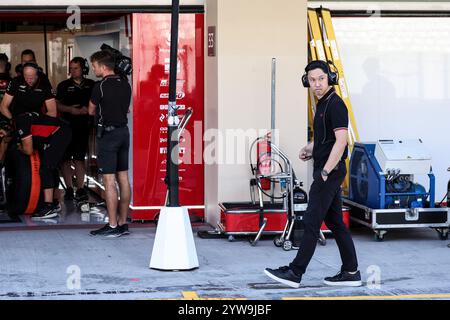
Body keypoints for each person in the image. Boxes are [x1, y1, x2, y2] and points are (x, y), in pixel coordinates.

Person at [264, 60, 361, 288]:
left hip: (330, 171)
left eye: (321, 79)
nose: (316, 84)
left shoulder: (336, 105)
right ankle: (351, 271)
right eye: (312, 80)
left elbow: (341, 140)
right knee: (335, 222)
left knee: (311, 220)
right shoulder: (323, 104)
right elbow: (325, 137)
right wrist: (311, 148)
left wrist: (326, 171)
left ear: (330, 78)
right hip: (326, 168)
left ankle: (295, 272)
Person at [88, 50, 131, 237]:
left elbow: (91, 110)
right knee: (123, 178)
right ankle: (123, 222)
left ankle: (112, 225)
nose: (93, 69)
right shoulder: (125, 84)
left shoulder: (100, 86)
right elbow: (127, 108)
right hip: (124, 133)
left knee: (109, 180)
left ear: (103, 67)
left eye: (94, 66)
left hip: (108, 136)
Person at [2, 112, 71, 219]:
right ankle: (54, 202)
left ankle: (49, 206)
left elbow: (28, 151)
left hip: (60, 132)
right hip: (58, 131)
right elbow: (7, 141)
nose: (2, 136)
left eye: (2, 133)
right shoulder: (19, 121)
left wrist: (20, 147)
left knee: (46, 167)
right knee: (51, 167)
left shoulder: (21, 123)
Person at [56, 57, 95, 201]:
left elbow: (98, 103)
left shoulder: (92, 84)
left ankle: (80, 188)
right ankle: (68, 189)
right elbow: (56, 104)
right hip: (65, 126)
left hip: (84, 127)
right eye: (71, 68)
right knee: (65, 159)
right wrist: (71, 110)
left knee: (79, 159)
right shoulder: (63, 85)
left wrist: (89, 110)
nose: (72, 71)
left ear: (83, 69)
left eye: (76, 68)